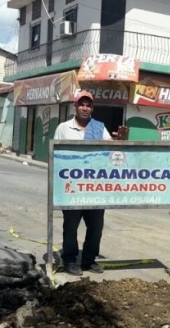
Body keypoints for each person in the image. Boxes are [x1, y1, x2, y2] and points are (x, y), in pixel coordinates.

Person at [53, 90, 128, 276]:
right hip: (72, 188)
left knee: (96, 226)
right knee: (70, 226)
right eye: (81, 104)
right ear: (75, 106)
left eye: (88, 105)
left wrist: (119, 141)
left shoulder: (99, 128)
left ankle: (88, 261)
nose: (85, 108)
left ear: (92, 108)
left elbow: (110, 152)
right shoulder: (63, 128)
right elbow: (56, 155)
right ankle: (69, 260)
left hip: (94, 187)